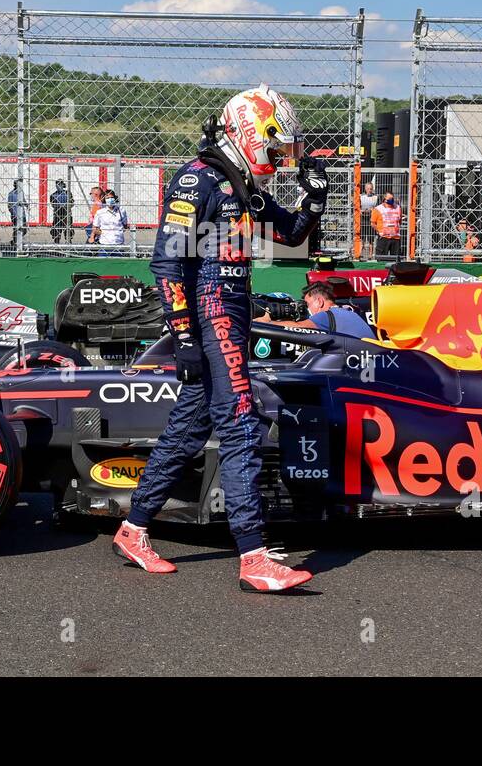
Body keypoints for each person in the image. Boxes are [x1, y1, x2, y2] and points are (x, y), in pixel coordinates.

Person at [114, 83, 327, 593]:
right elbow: (167, 264)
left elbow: (293, 233)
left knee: (189, 429)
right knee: (240, 426)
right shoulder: (199, 180)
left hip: (231, 312)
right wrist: (184, 336)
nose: (278, 156)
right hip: (212, 314)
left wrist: (315, 197)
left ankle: (133, 528)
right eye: (275, 146)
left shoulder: (243, 185)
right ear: (249, 133)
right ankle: (254, 554)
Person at [256, 282, 374, 339]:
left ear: (319, 301)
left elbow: (298, 328)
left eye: (308, 304)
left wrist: (266, 323)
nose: (306, 308)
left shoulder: (327, 316)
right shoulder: (347, 314)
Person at [371, 191, 403, 260]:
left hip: (395, 237)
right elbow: (373, 223)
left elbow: (399, 221)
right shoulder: (378, 209)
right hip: (384, 237)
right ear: (385, 199)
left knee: (396, 259)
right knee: (381, 258)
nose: (392, 200)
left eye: (392, 198)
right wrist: (379, 231)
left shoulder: (398, 208)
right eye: (390, 198)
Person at [358, 181, 378, 259]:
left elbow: (377, 207)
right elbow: (357, 207)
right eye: (368, 189)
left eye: (371, 189)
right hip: (363, 219)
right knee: (362, 238)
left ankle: (370, 255)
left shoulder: (375, 197)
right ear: (365, 189)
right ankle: (360, 253)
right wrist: (360, 211)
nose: (370, 190)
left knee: (370, 238)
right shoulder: (361, 197)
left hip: (371, 219)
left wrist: (373, 210)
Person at [49, 180, 73, 244]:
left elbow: (72, 203)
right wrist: (59, 206)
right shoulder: (53, 195)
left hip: (66, 214)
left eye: (60, 184)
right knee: (56, 230)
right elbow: (53, 204)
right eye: (57, 184)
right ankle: (56, 242)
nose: (59, 186)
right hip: (57, 214)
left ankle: (68, 242)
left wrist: (67, 206)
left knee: (68, 230)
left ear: (63, 185)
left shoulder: (68, 193)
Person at [7, 179, 27, 247]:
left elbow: (24, 200)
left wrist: (26, 205)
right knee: (16, 228)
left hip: (22, 214)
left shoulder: (21, 193)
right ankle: (15, 242)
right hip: (15, 215)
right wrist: (13, 213)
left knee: (24, 229)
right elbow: (9, 205)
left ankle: (16, 240)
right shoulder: (11, 194)